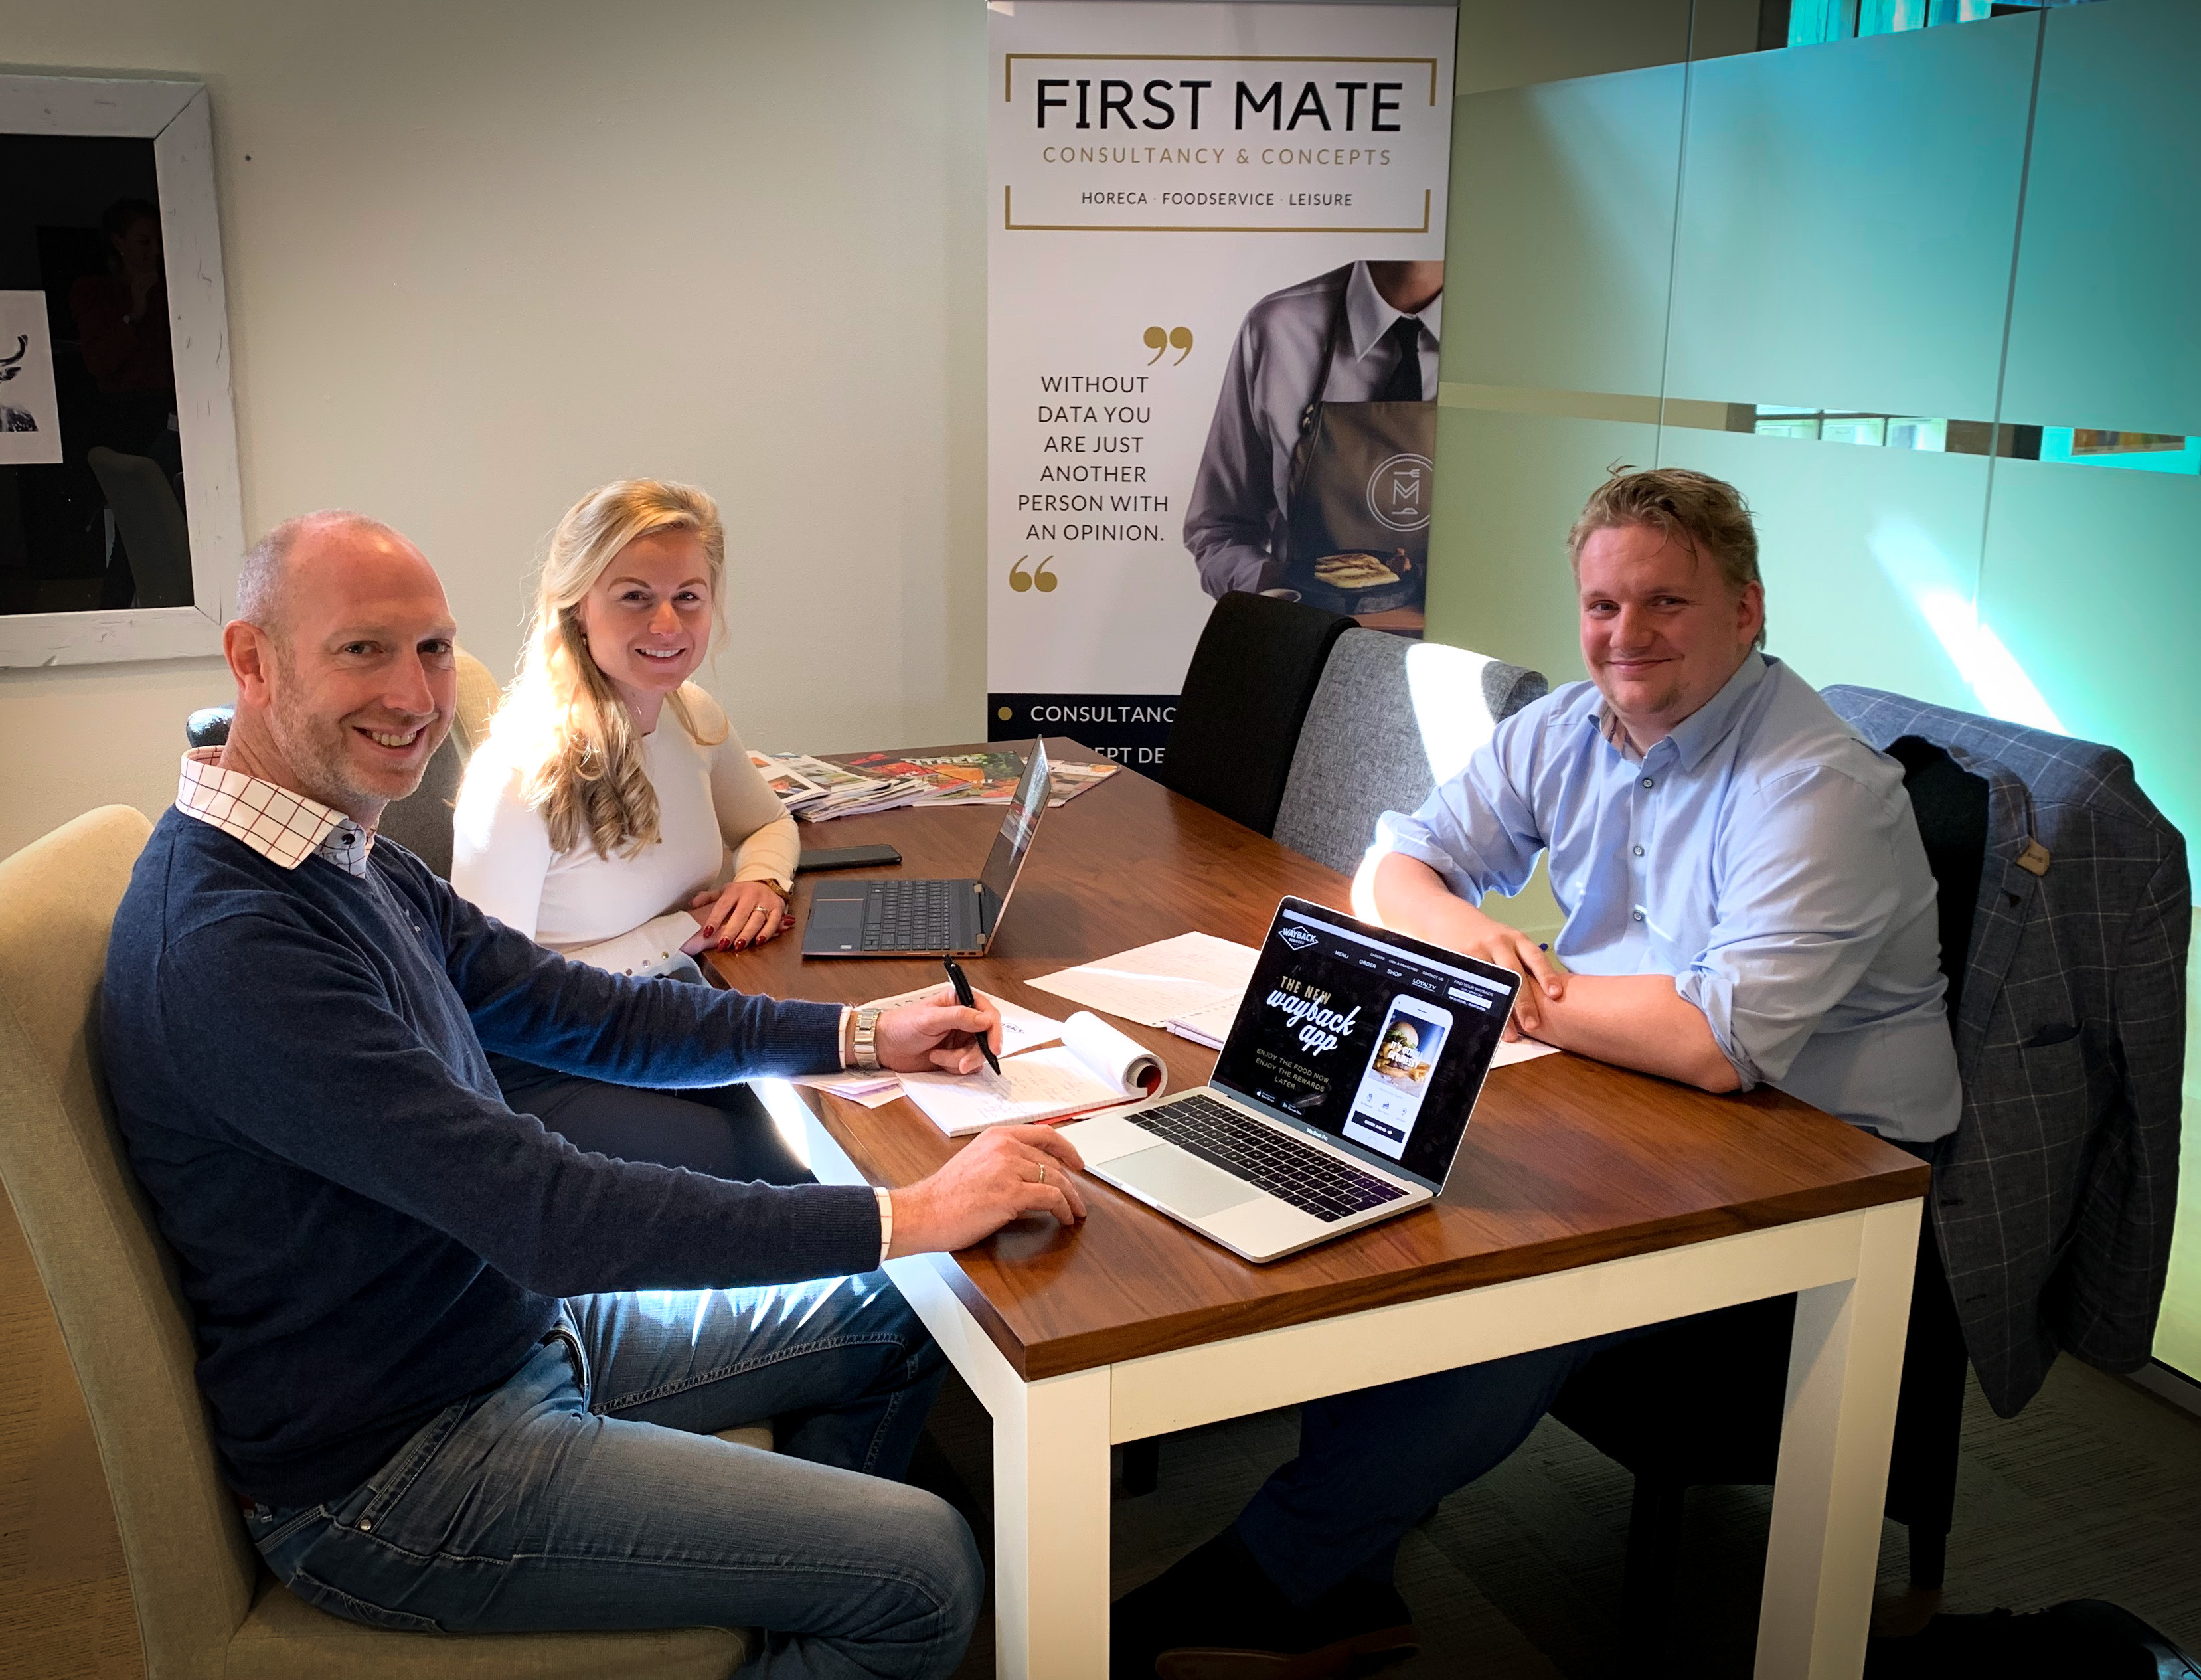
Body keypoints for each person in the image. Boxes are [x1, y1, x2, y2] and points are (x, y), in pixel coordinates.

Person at [101, 510, 1090, 1679]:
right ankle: (835, 1595)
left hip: (497, 1333)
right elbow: (550, 1216)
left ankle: (784, 1602)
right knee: (924, 1569)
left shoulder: (339, 851)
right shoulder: (234, 942)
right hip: (397, 1468)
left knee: (910, 1309)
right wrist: (913, 1211)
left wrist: (867, 1030)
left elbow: (589, 1010)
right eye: (363, 650)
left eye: (431, 649)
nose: (416, 695)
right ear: (252, 662)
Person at [1113, 467, 1963, 1677]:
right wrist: (1477, 942)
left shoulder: (1815, 787)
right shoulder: (1576, 725)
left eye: (1666, 604)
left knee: (1500, 1280)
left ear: (1747, 609)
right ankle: (1340, 1577)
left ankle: (1278, 1575)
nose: (1628, 637)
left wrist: (1510, 988)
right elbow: (1394, 864)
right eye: (1603, 607)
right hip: (1637, 1091)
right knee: (1386, 1184)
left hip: (1827, 1162)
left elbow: (1720, 1044)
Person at [452, 479, 811, 1181]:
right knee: (794, 1189)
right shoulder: (523, 773)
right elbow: (495, 1001)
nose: (668, 624)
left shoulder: (689, 716)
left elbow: (768, 821)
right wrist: (683, 932)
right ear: (578, 606)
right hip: (548, 1071)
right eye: (635, 596)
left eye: (688, 596)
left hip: (661, 1026)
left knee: (832, 1139)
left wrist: (763, 879)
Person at [1183, 259, 1441, 608]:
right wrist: (1285, 587)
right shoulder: (1279, 329)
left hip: (1473, 653)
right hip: (1311, 649)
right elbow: (1220, 527)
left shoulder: (1525, 338)